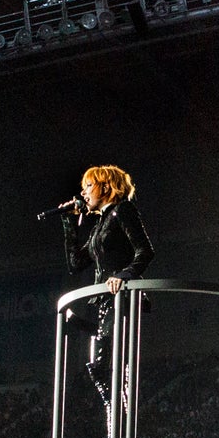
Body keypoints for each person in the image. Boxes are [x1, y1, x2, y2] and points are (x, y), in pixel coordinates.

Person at [59, 165, 154, 416]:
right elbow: (75, 264)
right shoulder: (99, 227)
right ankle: (118, 434)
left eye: (88, 185)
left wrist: (123, 275)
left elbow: (145, 250)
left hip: (122, 300)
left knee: (107, 367)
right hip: (104, 303)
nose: (83, 191)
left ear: (106, 186)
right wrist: (69, 222)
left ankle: (121, 436)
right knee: (103, 368)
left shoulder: (123, 210)